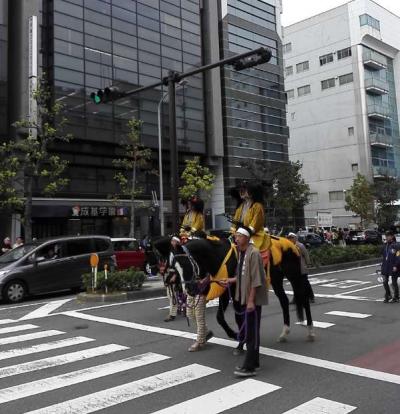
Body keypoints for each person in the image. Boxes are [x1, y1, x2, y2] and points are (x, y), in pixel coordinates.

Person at [223, 226, 268, 377]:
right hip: (243, 297)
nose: (236, 238)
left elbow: (256, 280)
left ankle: (249, 367)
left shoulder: (253, 253)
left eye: (239, 236)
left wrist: (250, 301)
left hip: (252, 300)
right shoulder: (242, 252)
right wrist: (230, 280)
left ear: (246, 238)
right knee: (250, 331)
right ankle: (254, 363)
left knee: (252, 332)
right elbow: (242, 276)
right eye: (235, 236)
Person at [230, 182, 270, 252]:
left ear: (252, 193)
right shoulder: (240, 207)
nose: (241, 191)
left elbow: (254, 226)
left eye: (244, 190)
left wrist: (243, 233)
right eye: (240, 190)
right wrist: (233, 232)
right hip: (239, 234)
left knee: (251, 250)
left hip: (255, 235)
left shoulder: (258, 206)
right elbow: (234, 223)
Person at [287, 233, 315, 303]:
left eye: (292, 237)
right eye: (289, 238)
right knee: (294, 284)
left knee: (305, 283)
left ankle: (311, 297)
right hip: (293, 268)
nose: (290, 239)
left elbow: (306, 255)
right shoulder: (288, 246)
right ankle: (296, 298)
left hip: (301, 267)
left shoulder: (300, 245)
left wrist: (308, 264)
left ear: (295, 238)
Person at [162, 236, 183, 322]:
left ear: (177, 243)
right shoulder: (170, 251)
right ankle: (174, 310)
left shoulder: (177, 252)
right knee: (170, 295)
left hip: (175, 274)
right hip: (169, 274)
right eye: (172, 241)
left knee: (172, 295)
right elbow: (168, 263)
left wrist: (175, 275)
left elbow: (179, 266)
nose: (171, 242)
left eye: (173, 241)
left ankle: (172, 314)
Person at [381, 230, 400, 303]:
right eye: (386, 236)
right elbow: (383, 256)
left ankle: (396, 297)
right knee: (385, 281)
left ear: (392, 236)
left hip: (393, 266)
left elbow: (398, 256)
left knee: (394, 282)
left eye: (388, 235)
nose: (387, 237)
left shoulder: (397, 245)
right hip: (385, 265)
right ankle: (388, 295)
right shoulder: (385, 245)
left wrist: (396, 265)